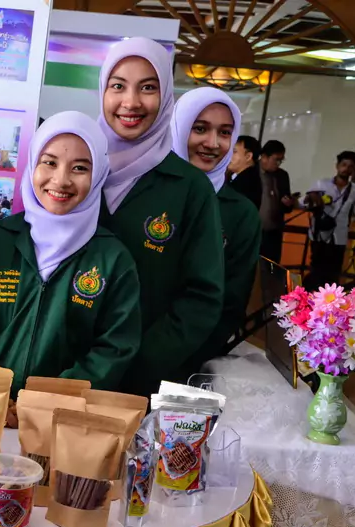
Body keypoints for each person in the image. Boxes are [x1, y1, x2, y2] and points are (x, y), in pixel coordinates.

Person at [0, 111, 142, 393]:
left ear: (98, 175)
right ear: (33, 163)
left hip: (63, 412)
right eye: (49, 163)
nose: (61, 180)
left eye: (79, 168)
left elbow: (113, 349)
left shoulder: (112, 259)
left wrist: (47, 400)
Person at [96, 37, 225, 397]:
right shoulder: (78, 172)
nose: (131, 102)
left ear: (166, 95)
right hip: (62, 372)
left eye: (148, 87)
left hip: (141, 383)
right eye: (118, 86)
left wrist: (137, 362)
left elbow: (201, 297)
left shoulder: (189, 188)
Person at [171, 88, 261, 371]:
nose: (212, 143)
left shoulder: (241, 213)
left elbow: (231, 305)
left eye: (225, 133)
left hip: (190, 362)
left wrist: (175, 363)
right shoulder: (148, 193)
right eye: (200, 128)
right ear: (178, 127)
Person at [302, 151, 355, 291]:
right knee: (316, 273)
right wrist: (314, 200)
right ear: (337, 166)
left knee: (333, 275)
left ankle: (329, 303)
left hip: (339, 238)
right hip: (319, 236)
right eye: (344, 164)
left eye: (351, 166)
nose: (346, 169)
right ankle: (310, 301)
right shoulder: (321, 184)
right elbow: (304, 203)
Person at [259, 139, 294, 263]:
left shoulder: (282, 176)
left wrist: (288, 203)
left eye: (281, 160)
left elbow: (287, 206)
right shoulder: (251, 173)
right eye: (276, 159)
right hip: (254, 231)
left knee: (271, 266)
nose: (278, 163)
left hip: (274, 232)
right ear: (264, 157)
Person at [227, 135, 261, 210]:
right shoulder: (244, 177)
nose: (228, 156)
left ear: (248, 156)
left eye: (234, 151)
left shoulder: (247, 183)